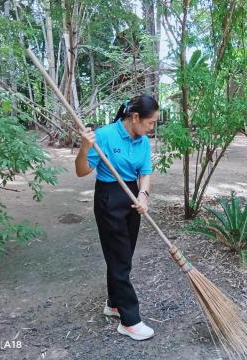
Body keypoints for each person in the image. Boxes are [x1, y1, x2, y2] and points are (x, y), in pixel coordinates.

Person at [75, 95, 159, 341]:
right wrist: (84, 148)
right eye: (151, 122)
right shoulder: (104, 136)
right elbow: (81, 171)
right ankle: (130, 321)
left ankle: (113, 304)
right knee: (120, 258)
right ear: (135, 117)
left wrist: (143, 195)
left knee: (123, 256)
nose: (152, 128)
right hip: (109, 197)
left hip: (132, 195)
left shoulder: (142, 141)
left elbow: (144, 172)